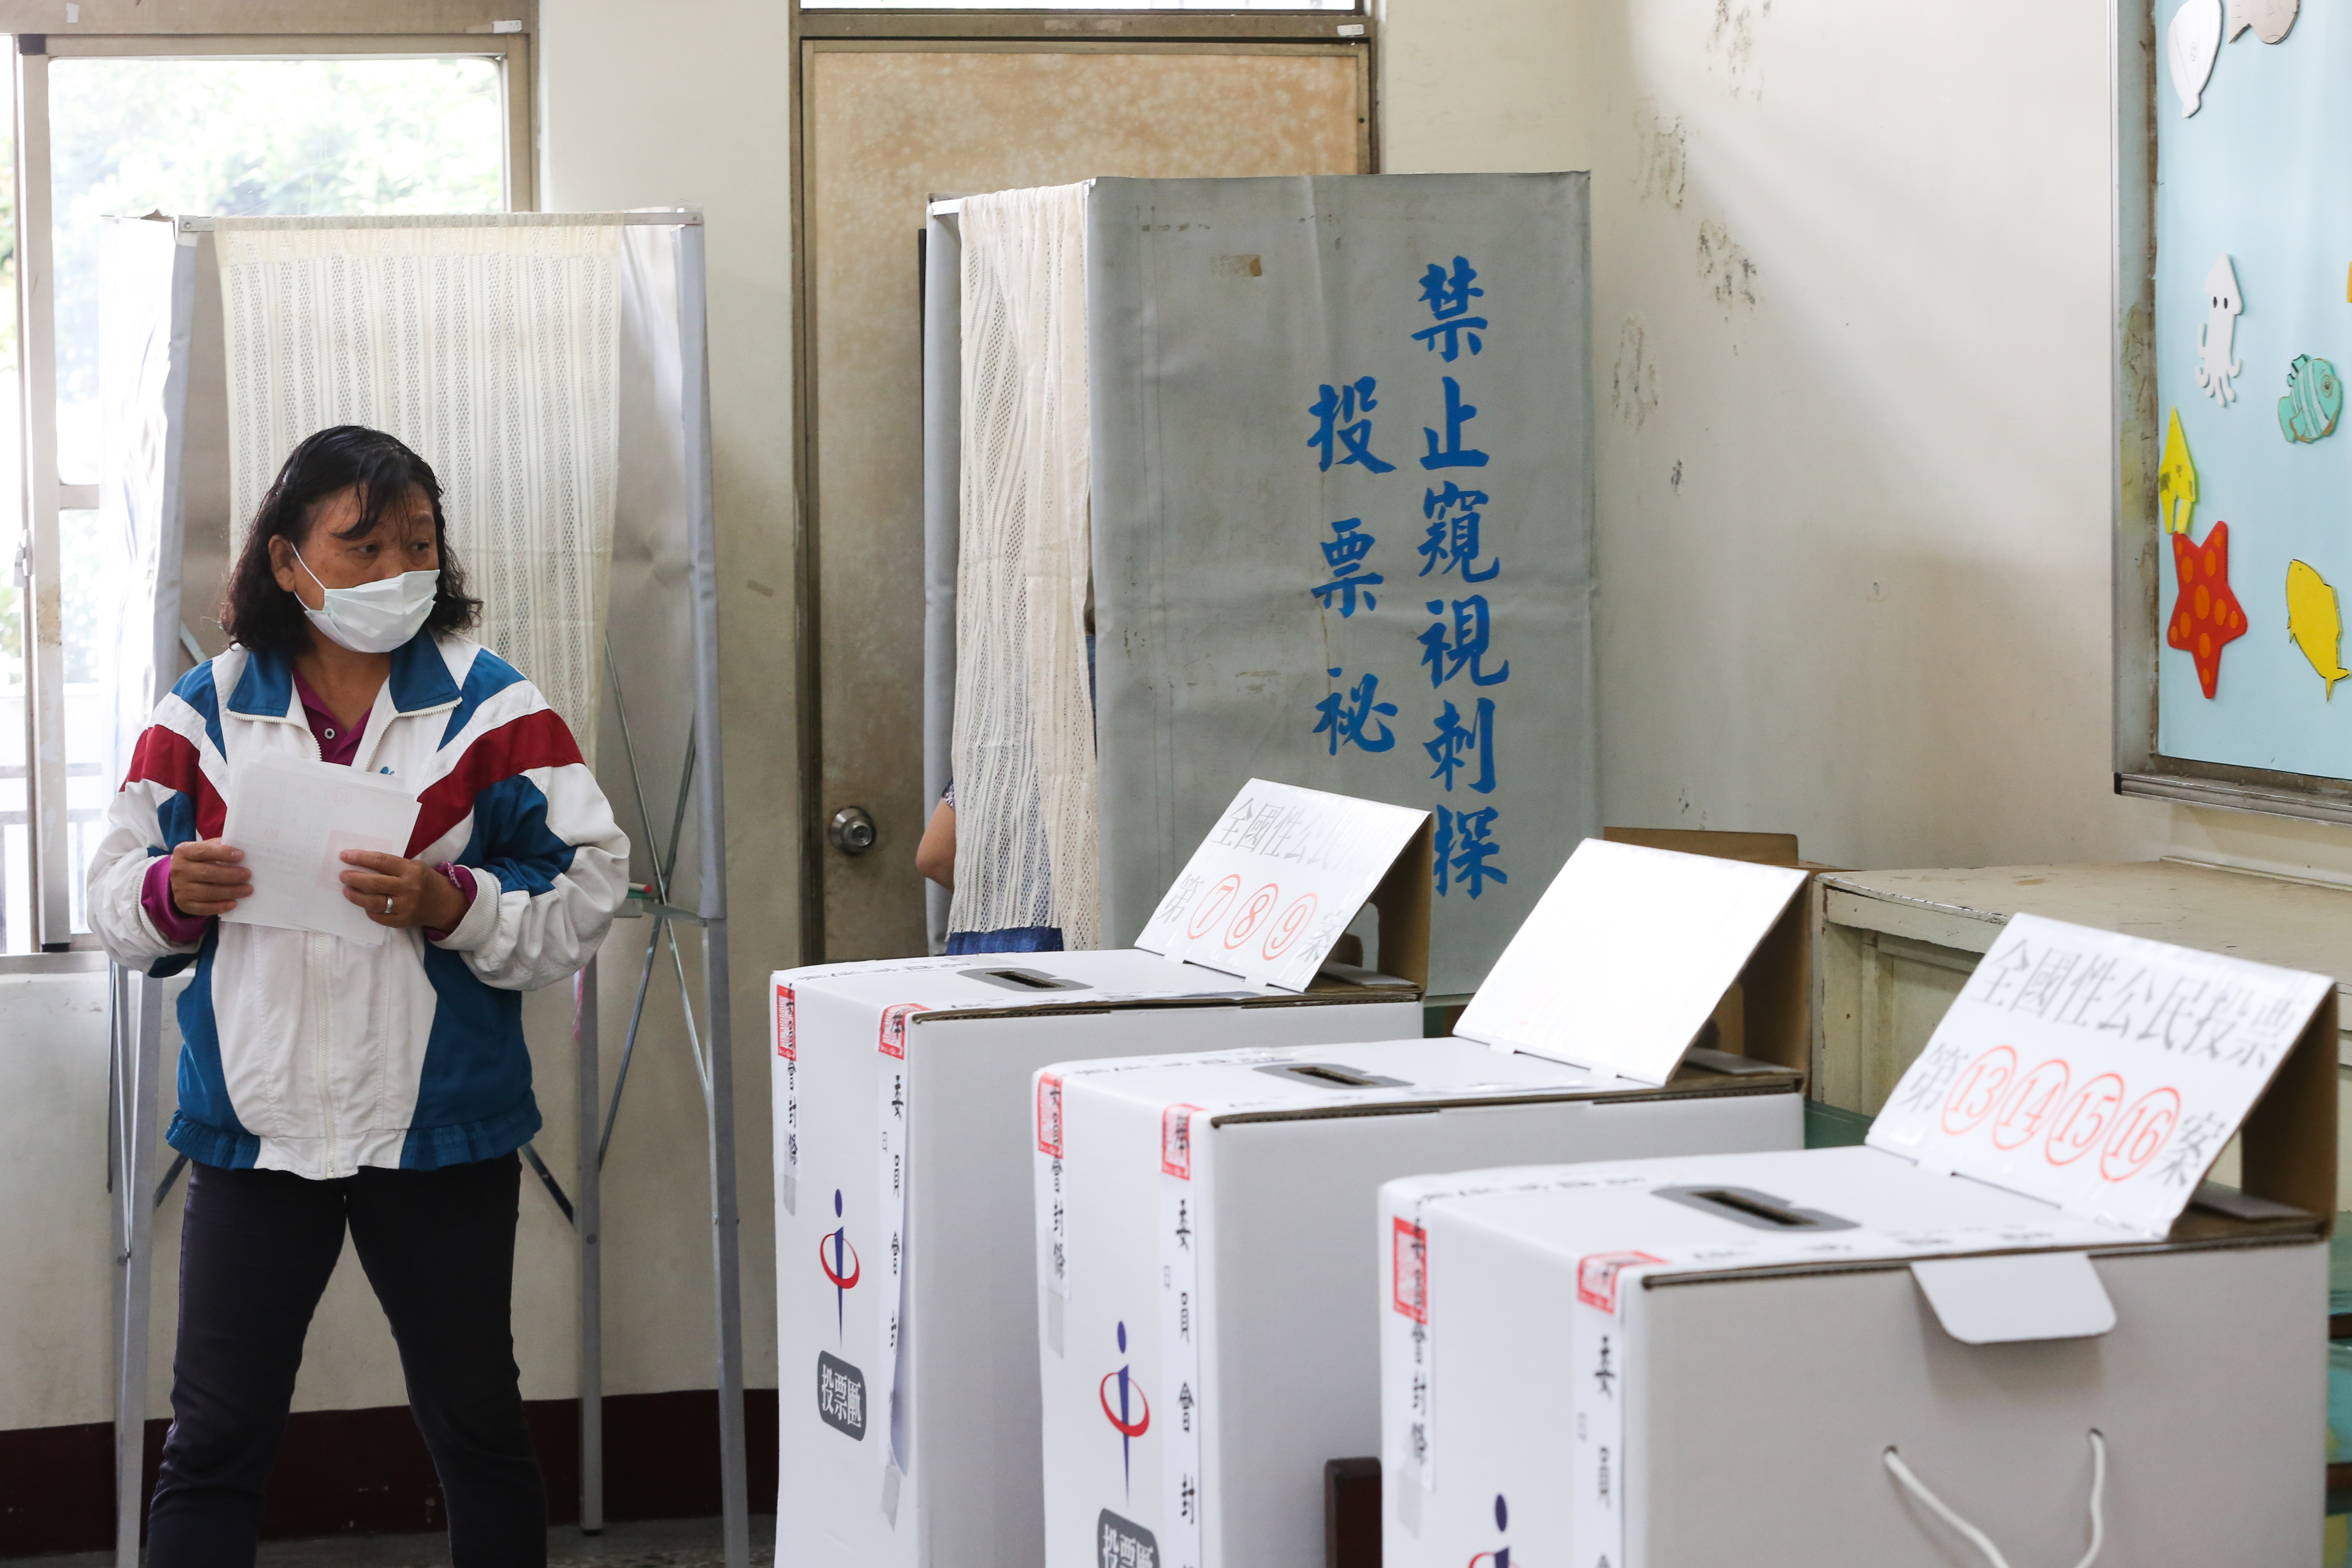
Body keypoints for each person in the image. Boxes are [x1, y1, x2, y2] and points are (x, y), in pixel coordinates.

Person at [88, 425, 629, 1568]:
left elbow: (589, 883)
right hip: (255, 1133)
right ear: (288, 562)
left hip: (441, 1131)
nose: (398, 572)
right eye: (364, 544)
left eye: (418, 543)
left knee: (477, 1424)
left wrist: (455, 903)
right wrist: (168, 888)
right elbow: (114, 901)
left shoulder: (495, 711)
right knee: (217, 1439)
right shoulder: (205, 714)